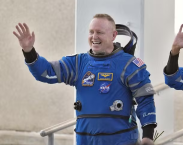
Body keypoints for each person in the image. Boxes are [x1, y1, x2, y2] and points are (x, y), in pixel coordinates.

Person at [13, 14, 157, 145]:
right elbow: (46, 73)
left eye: (99, 32)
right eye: (91, 32)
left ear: (114, 35)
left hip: (121, 141)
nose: (94, 36)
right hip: (85, 140)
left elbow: (146, 100)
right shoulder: (78, 63)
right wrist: (29, 51)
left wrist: (148, 137)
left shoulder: (130, 65)